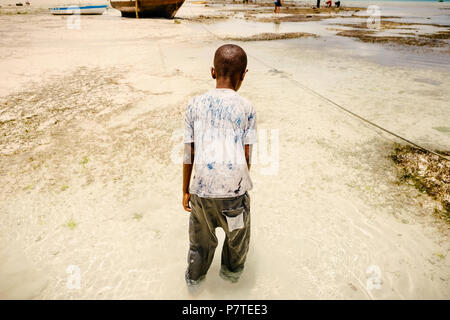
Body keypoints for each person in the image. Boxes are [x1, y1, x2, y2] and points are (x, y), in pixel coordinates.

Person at [182, 44, 257, 287]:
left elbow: (188, 152)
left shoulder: (194, 104)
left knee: (199, 245)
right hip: (233, 197)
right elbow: (246, 156)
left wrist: (185, 190)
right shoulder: (247, 107)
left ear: (213, 72)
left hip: (201, 193)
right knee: (237, 245)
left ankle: (194, 284)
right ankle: (231, 283)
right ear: (244, 75)